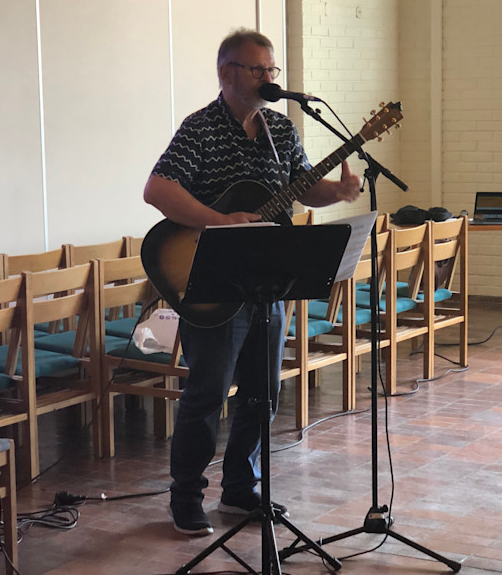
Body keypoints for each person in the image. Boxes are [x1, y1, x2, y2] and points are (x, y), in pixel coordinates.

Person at [143, 29, 362, 536]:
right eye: (257, 69)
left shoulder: (279, 129)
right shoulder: (200, 129)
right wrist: (219, 221)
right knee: (207, 393)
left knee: (263, 394)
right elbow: (157, 189)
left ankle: (241, 489)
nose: (268, 77)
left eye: (271, 69)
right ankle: (186, 496)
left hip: (268, 282)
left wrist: (339, 190)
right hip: (212, 279)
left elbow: (304, 188)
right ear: (227, 73)